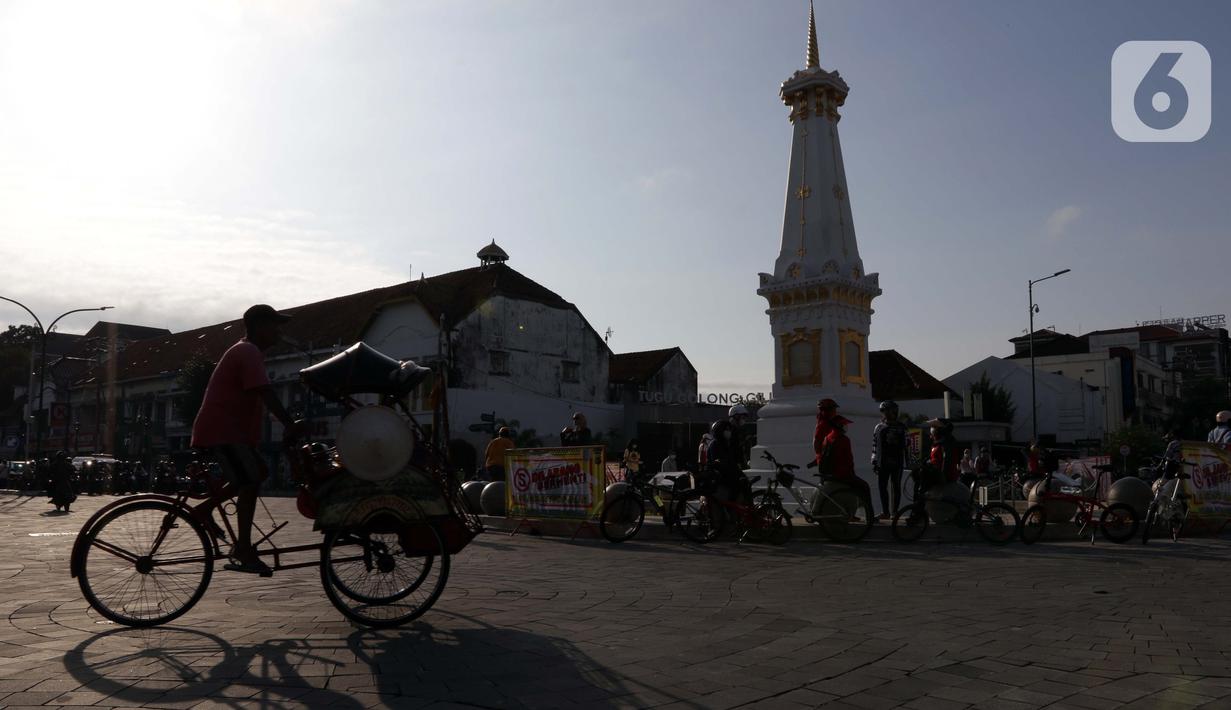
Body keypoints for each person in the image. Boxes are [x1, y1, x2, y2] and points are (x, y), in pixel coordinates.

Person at [190, 304, 305, 577]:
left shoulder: (247, 351)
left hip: (229, 431)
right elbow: (265, 392)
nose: (278, 332)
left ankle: (206, 511)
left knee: (258, 472)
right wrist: (289, 424)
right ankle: (242, 547)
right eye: (275, 325)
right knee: (251, 478)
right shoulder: (248, 351)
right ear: (259, 327)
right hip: (222, 429)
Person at [818, 414, 873, 512]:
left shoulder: (827, 438)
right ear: (838, 426)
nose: (846, 427)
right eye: (844, 424)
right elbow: (848, 460)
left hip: (828, 474)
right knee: (864, 486)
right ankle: (869, 514)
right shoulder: (844, 439)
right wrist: (852, 474)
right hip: (842, 474)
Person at [871, 400, 908, 520]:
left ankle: (894, 512)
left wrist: (909, 462)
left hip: (897, 461)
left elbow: (907, 445)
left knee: (896, 487)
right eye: (882, 411)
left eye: (886, 410)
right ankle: (885, 512)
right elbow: (875, 445)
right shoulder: (879, 427)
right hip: (882, 462)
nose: (884, 413)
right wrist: (874, 460)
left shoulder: (902, 427)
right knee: (882, 487)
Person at [925, 418, 960, 492]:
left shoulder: (947, 442)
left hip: (944, 477)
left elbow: (947, 459)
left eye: (934, 426)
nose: (931, 429)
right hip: (938, 475)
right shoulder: (937, 444)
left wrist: (942, 476)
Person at [812, 398, 839, 467]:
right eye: (833, 409)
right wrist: (820, 456)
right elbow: (816, 442)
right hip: (827, 460)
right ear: (827, 411)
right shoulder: (823, 424)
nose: (835, 412)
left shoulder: (830, 423)